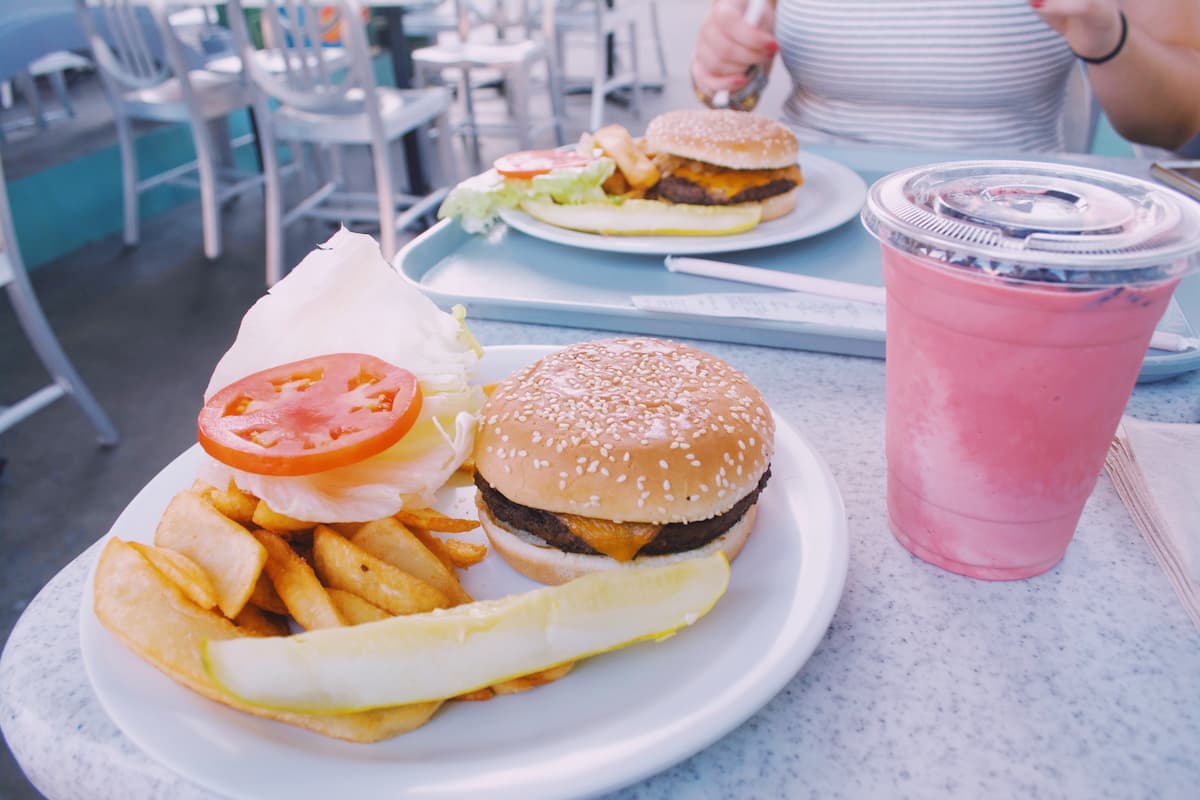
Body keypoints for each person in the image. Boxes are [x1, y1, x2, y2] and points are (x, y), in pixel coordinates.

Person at [689, 0, 1200, 153]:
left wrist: (1105, 33)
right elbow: (729, 97)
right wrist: (726, 69)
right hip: (809, 207)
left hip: (1012, 229)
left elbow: (1172, 124)